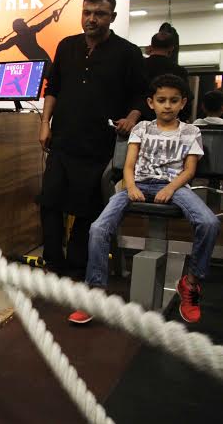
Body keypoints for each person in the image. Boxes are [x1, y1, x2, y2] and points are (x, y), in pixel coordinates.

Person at [69, 74, 219, 324]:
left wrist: (170, 188)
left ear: (183, 103)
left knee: (209, 223)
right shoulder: (141, 128)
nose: (167, 105)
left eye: (173, 100)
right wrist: (130, 186)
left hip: (175, 186)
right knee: (98, 228)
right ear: (151, 103)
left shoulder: (191, 131)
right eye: (162, 100)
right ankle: (95, 292)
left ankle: (190, 283)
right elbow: (129, 165)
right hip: (136, 184)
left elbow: (189, 170)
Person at [39, 0, 147, 277]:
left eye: (99, 14)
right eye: (87, 12)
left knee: (87, 209)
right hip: (62, 141)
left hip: (99, 146)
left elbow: (141, 95)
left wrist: (132, 118)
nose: (92, 19)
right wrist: (44, 123)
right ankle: (52, 262)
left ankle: (76, 266)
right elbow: (53, 88)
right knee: (49, 202)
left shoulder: (128, 53)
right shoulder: (66, 45)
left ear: (112, 17)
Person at [142, 31, 190, 121]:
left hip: (140, 120)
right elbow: (187, 98)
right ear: (171, 48)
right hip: (170, 122)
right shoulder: (179, 71)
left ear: (151, 46)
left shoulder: (139, 66)